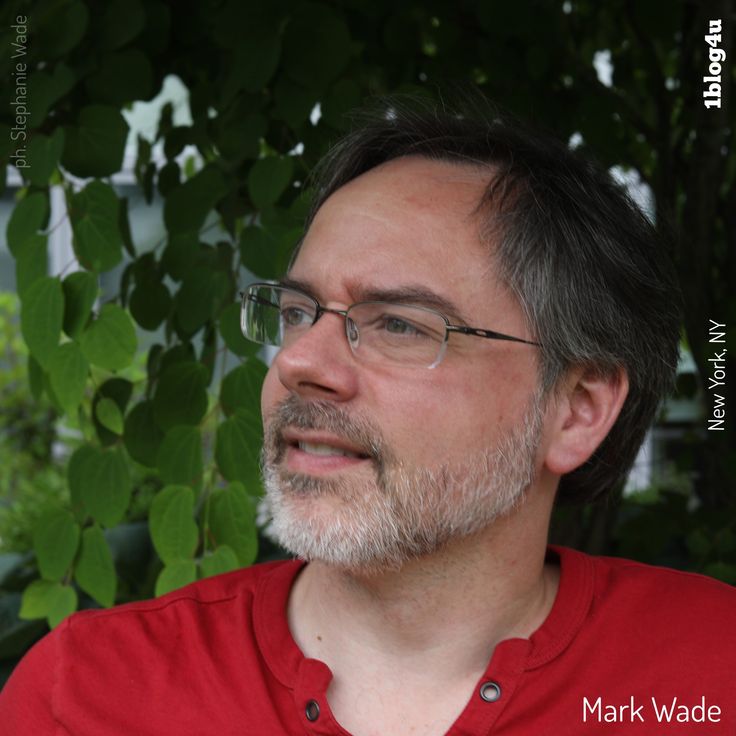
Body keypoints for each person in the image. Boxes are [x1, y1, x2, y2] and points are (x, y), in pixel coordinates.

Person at [2, 95, 734, 735]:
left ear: (576, 410)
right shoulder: (90, 695)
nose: (299, 363)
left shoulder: (710, 676)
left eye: (400, 325)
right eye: (297, 312)